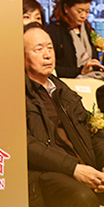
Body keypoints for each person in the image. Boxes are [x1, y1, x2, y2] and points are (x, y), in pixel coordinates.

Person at [25, 22, 104, 207]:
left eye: (50, 47)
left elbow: (93, 131)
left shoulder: (62, 89)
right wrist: (73, 169)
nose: (47, 55)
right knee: (82, 197)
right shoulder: (18, 94)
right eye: (38, 50)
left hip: (84, 166)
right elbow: (26, 145)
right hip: (48, 172)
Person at [46, 0, 103, 78]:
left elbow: (93, 57)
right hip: (69, 81)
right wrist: (80, 71)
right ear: (66, 8)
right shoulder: (54, 31)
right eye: (79, 11)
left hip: (92, 78)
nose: (83, 16)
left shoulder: (86, 27)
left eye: (87, 11)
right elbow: (52, 68)